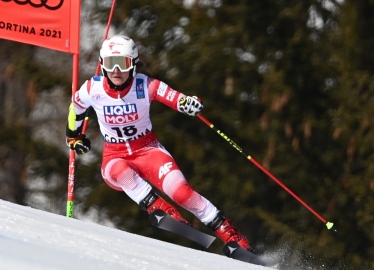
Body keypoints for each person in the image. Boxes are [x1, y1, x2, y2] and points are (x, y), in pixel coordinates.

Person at [66, 35, 254, 252]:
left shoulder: (146, 85)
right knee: (120, 170)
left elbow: (175, 97)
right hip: (114, 156)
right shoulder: (92, 89)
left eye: (123, 63)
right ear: (102, 64)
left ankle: (233, 236)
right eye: (110, 64)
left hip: (148, 150)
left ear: (133, 64)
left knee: (182, 193)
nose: (116, 71)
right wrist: (74, 136)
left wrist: (187, 103)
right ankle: (162, 210)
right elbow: (75, 109)